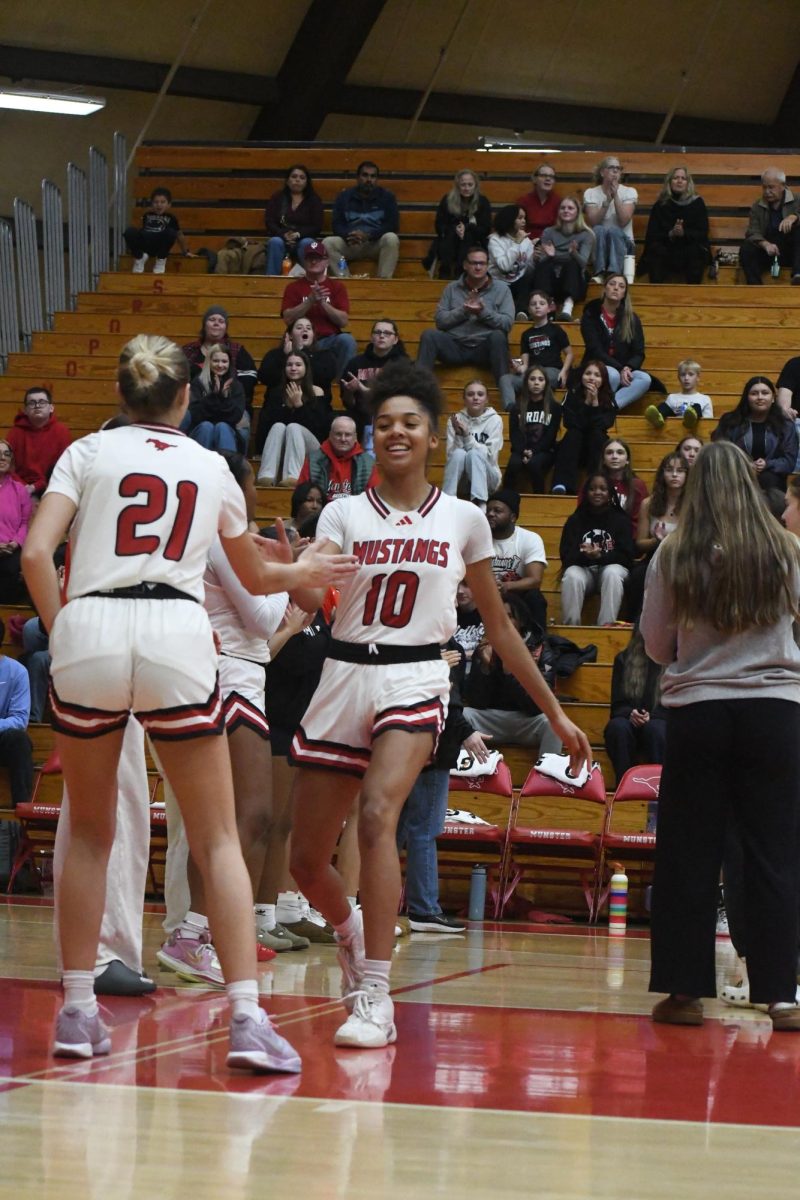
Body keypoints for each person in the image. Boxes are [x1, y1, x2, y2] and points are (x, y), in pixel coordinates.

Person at [20, 333, 357, 1069]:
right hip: (177, 633)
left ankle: (78, 1011)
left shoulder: (84, 453)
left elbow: (34, 553)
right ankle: (244, 1017)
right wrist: (306, 565)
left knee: (88, 834)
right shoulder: (211, 467)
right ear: (183, 398)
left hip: (93, 630)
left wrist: (64, 626)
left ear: (121, 395)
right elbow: (259, 581)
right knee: (217, 839)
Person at [287, 361, 591, 1049]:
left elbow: (502, 629)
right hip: (342, 672)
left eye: (410, 423)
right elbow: (311, 598)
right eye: (385, 422)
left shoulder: (463, 519)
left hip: (417, 677)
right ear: (373, 435)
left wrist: (559, 712)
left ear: (433, 437)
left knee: (377, 815)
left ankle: (374, 992)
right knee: (307, 861)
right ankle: (352, 927)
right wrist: (296, 575)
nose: (397, 432)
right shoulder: (341, 512)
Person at [641, 440, 800, 1030]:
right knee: (774, 853)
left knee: (689, 853)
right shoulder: (786, 549)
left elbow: (657, 646)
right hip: (776, 714)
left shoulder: (673, 553)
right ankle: (781, 994)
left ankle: (685, 994)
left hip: (700, 713)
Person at [158, 451, 305, 973]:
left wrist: (280, 570)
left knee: (243, 817)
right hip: (228, 671)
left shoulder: (217, 535)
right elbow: (265, 618)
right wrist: (286, 571)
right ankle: (194, 931)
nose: (256, 497)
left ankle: (207, 928)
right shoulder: (223, 535)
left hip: (237, 671)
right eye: (249, 486)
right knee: (244, 815)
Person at [396, 642, 476, 934]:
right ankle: (424, 909)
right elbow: (449, 703)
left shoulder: (449, 649)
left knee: (396, 829)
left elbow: (453, 700)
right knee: (423, 829)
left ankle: (370, 902)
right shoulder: (419, 646)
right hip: (427, 746)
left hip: (404, 744)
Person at [463, 599, 563, 752]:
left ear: (521, 621)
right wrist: (485, 667)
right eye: (499, 615)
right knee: (463, 715)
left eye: (509, 616)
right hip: (492, 720)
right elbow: (476, 701)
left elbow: (538, 707)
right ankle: (463, 772)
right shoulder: (484, 648)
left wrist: (510, 672)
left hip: (527, 720)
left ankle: (548, 774)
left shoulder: (542, 651)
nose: (502, 621)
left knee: (554, 722)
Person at [416, 247, 514, 386]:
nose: (478, 267)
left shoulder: (502, 289)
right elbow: (440, 321)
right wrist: (464, 311)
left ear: (488, 265)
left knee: (499, 336)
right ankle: (416, 392)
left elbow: (507, 323)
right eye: (474, 263)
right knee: (429, 335)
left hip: (485, 348)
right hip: (455, 346)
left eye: (482, 263)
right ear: (465, 265)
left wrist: (482, 312)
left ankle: (506, 394)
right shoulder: (451, 288)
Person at [559, 473, 634, 626]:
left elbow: (627, 557)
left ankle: (606, 627)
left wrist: (600, 555)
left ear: (610, 494)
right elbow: (566, 557)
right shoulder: (575, 520)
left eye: (603, 489)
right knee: (572, 575)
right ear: (586, 493)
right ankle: (571, 628)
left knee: (612, 573)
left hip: (611, 572)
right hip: (584, 571)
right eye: (592, 489)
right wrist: (586, 555)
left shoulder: (621, 520)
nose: (597, 492)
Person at [281, 241, 358, 378]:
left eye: (318, 258)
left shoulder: (337, 287)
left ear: (327, 262)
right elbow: (288, 319)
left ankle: (343, 385)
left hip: (329, 340)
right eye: (310, 258)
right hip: (300, 339)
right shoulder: (293, 288)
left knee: (347, 340)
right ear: (304, 262)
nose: (314, 261)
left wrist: (322, 302)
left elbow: (343, 321)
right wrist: (309, 301)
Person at [626, 452, 688, 622]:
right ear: (662, 474)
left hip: (683, 557)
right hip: (654, 556)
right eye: (669, 470)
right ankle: (634, 623)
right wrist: (657, 541)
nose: (674, 475)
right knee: (638, 575)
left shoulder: (693, 504)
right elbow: (640, 543)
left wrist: (674, 540)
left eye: (680, 471)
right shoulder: (648, 503)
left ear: (687, 476)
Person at [603, 626, 667, 786]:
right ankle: (624, 786)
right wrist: (631, 714)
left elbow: (676, 706)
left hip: (661, 720)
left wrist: (653, 716)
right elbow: (616, 706)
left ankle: (660, 787)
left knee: (657, 729)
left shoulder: (674, 661)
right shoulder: (623, 659)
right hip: (629, 721)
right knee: (617, 728)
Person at [256, 350, 330, 486]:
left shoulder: (317, 391)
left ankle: (293, 476)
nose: (293, 368)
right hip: (284, 446)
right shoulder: (276, 393)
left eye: (298, 364)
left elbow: (320, 429)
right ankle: (266, 476)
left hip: (311, 447)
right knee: (279, 426)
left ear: (306, 368)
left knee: (293, 427)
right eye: (289, 365)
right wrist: (287, 407)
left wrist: (299, 406)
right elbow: (268, 425)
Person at [712, 375, 798, 491]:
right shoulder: (730, 421)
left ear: (773, 398)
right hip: (736, 477)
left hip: (772, 482)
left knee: (769, 480)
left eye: (765, 393)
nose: (760, 397)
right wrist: (745, 465)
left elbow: (789, 462)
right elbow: (719, 453)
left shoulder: (785, 425)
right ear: (746, 398)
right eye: (754, 393)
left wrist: (767, 464)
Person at [580, 274, 652, 410]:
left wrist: (628, 367)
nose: (616, 288)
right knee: (612, 374)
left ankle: (609, 407)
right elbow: (595, 349)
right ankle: (596, 406)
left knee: (644, 379)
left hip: (623, 367)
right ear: (605, 288)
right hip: (597, 365)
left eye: (621, 286)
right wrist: (620, 368)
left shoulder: (631, 318)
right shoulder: (591, 314)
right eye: (612, 284)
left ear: (624, 293)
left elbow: (639, 352)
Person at [0, 615, 33, 884]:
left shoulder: (16, 672)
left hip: (2, 737)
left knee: (20, 741)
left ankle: (23, 811)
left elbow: (20, 719)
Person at [181, 307, 258, 423]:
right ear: (204, 325)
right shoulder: (189, 350)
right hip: (195, 404)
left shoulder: (236, 350)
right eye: (212, 319)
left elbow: (249, 379)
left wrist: (228, 393)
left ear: (225, 328)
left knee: (241, 421)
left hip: (232, 405)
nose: (216, 323)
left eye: (221, 321)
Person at [498, 290, 573, 409]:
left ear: (549, 308)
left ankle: (547, 408)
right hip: (532, 373)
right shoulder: (526, 334)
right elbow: (525, 364)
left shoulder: (556, 329)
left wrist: (564, 372)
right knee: (505, 379)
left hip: (552, 371)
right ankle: (511, 410)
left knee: (539, 376)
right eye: (533, 304)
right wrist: (519, 367)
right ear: (529, 309)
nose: (537, 306)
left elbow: (569, 354)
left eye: (542, 303)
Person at [550, 360, 616, 495]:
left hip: (595, 448)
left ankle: (596, 484)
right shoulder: (572, 393)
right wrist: (586, 403)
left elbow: (604, 424)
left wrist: (596, 403)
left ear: (603, 380)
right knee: (574, 433)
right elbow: (570, 422)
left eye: (597, 375)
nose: (591, 377)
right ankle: (562, 484)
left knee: (597, 435)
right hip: (574, 447)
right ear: (581, 376)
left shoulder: (609, 398)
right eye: (588, 373)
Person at [340, 319, 409, 448]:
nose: (382, 336)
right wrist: (349, 392)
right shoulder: (355, 363)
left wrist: (365, 390)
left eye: (387, 333)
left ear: (395, 339)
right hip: (360, 416)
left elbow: (404, 398)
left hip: (393, 414)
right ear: (372, 337)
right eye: (378, 332)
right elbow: (348, 404)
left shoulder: (403, 365)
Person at [324, 162, 400, 279]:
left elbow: (392, 225)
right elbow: (337, 224)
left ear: (377, 179)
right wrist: (350, 235)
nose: (369, 179)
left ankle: (383, 282)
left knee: (391, 238)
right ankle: (344, 277)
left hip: (374, 243)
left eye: (373, 176)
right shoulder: (344, 197)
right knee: (328, 243)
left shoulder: (387, 197)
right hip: (351, 243)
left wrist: (368, 235)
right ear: (358, 177)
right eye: (365, 175)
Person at [486, 487, 548, 630]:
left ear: (513, 517)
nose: (490, 514)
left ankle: (539, 644)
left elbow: (535, 580)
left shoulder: (529, 538)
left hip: (516, 596)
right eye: (488, 510)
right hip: (485, 594)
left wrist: (506, 586)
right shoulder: (478, 539)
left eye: (497, 511)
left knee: (535, 597)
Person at [639, 166, 710, 285]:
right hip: (667, 247)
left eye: (683, 178)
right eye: (676, 178)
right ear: (669, 182)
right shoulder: (661, 205)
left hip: (689, 246)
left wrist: (684, 233)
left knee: (695, 252)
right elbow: (652, 234)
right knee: (655, 251)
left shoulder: (697, 203)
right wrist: (670, 234)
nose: (679, 181)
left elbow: (703, 232)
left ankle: (693, 296)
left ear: (688, 183)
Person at [442, 379, 503, 509]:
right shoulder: (455, 420)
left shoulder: (495, 420)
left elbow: (489, 456)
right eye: (470, 394)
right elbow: (451, 458)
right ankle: (446, 500)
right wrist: (459, 435)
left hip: (488, 479)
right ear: (464, 399)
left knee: (474, 454)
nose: (475, 398)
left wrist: (467, 436)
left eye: (480, 394)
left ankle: (480, 504)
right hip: (463, 479)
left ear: (487, 399)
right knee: (459, 453)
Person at [532, 196, 594, 323]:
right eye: (563, 208)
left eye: (570, 208)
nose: (566, 210)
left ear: (577, 212)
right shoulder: (549, 232)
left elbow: (583, 264)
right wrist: (549, 256)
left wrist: (574, 253)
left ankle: (567, 308)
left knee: (572, 263)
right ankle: (549, 305)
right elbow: (540, 263)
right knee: (545, 265)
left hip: (574, 281)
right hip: (552, 281)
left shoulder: (586, 234)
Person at [502, 366, 562, 494]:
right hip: (520, 450)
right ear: (526, 382)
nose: (536, 383)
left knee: (534, 464)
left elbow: (550, 436)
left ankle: (539, 499)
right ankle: (505, 498)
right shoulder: (516, 408)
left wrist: (533, 452)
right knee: (514, 464)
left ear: (546, 383)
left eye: (540, 379)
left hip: (545, 451)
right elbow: (514, 435)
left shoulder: (555, 407)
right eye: (532, 379)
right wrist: (523, 451)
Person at [424, 169, 492, 279]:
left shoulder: (482, 201)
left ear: (475, 185)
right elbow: (439, 225)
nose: (467, 188)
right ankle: (445, 270)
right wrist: (455, 229)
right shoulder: (447, 200)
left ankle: (462, 271)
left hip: (475, 239)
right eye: (463, 185)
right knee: (450, 236)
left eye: (470, 185)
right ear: (457, 186)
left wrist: (468, 228)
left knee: (467, 237)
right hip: (450, 238)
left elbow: (486, 228)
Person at [257, 316, 337, 408]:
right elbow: (265, 377)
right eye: (299, 328)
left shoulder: (324, 355)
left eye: (308, 328)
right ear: (290, 335)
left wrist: (301, 353)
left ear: (313, 335)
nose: (304, 330)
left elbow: (325, 376)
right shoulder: (275, 354)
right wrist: (285, 357)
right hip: (279, 406)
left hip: (314, 408)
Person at [297, 413, 380, 502]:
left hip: (355, 513)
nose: (343, 439)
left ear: (355, 437)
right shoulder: (313, 460)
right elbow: (301, 496)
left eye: (348, 435)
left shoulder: (368, 463)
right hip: (321, 513)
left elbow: (375, 499)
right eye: (338, 434)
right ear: (330, 435)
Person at [740, 167, 800, 286]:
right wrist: (765, 244)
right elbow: (752, 232)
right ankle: (755, 288)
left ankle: (798, 275)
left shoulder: (797, 199)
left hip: (791, 251)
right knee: (746, 248)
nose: (767, 191)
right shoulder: (757, 205)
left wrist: (795, 217)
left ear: (782, 186)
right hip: (769, 249)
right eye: (764, 187)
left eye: (771, 187)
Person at [7, 388, 71, 498]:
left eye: (42, 402)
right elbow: (7, 466)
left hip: (52, 487)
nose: (37, 406)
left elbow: (64, 468)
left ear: (51, 408)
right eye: (32, 403)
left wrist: (36, 487)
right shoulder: (15, 433)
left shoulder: (62, 432)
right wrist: (23, 487)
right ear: (25, 410)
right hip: (19, 488)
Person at [263, 164, 324, 276]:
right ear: (287, 180)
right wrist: (283, 234)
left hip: (303, 238)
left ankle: (311, 280)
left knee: (308, 243)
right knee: (274, 242)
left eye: (302, 178)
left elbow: (317, 226)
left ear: (306, 182)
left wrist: (298, 234)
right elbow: (269, 221)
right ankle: (271, 281)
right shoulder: (278, 197)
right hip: (281, 238)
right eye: (294, 176)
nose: (297, 180)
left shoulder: (314, 200)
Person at [582, 157, 637, 278]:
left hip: (624, 244)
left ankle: (614, 274)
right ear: (602, 172)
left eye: (618, 168)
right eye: (612, 168)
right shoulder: (590, 193)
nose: (616, 171)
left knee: (614, 231)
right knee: (598, 229)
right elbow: (593, 222)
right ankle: (600, 272)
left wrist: (615, 196)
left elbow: (623, 221)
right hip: (600, 244)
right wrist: (607, 201)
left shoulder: (629, 192)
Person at [186, 347, 247, 452]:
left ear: (229, 363)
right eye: (215, 361)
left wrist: (223, 398)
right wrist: (213, 396)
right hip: (201, 430)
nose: (220, 365)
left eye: (224, 361)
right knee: (207, 427)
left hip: (227, 430)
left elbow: (235, 417)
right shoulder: (198, 382)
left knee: (222, 427)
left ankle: (228, 466)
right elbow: (195, 415)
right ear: (208, 362)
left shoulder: (236, 386)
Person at [123, 186, 195, 275]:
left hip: (159, 246)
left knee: (171, 233)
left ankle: (161, 259)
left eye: (163, 202)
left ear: (169, 204)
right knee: (129, 231)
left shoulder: (171, 218)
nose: (159, 205)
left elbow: (179, 235)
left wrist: (186, 252)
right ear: (152, 204)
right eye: (156, 202)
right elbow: (139, 231)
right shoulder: (146, 215)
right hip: (145, 244)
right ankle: (140, 257)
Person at [582, 437, 648, 533]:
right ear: (603, 460)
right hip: (596, 536)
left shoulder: (637, 485)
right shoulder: (591, 484)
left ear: (627, 460)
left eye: (620, 452)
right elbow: (583, 516)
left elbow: (638, 521)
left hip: (627, 540)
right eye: (609, 453)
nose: (614, 456)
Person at [487, 205, 535, 316]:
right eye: (520, 218)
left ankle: (522, 313)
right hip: (498, 282)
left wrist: (536, 258)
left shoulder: (526, 241)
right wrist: (517, 243)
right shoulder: (495, 240)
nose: (523, 221)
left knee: (530, 279)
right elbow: (504, 267)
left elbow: (529, 269)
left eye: (524, 218)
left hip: (518, 282)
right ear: (509, 219)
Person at [0, 440, 32, 601]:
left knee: (15, 570)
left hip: (12, 551)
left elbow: (25, 523)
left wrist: (15, 543)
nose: (2, 458)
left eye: (6, 454)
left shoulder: (19, 490)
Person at [645, 359, 713, 431]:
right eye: (683, 375)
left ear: (698, 377)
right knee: (664, 406)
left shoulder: (704, 399)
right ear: (678, 378)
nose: (686, 378)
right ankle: (658, 418)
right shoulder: (672, 397)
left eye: (691, 374)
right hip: (676, 429)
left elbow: (707, 422)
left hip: (694, 429)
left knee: (696, 407)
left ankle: (691, 420)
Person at [515, 164, 561, 244]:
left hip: (552, 245)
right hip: (527, 243)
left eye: (551, 176)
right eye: (543, 175)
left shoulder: (559, 202)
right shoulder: (523, 201)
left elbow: (561, 230)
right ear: (535, 179)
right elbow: (518, 228)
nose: (548, 179)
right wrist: (529, 244)